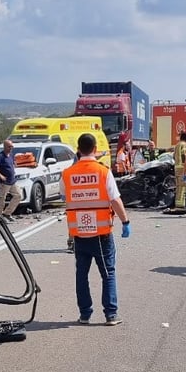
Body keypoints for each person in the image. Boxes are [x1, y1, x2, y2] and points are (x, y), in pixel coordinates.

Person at [62, 133, 131, 326]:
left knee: (81, 275)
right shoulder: (103, 171)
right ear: (95, 150)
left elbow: (63, 196)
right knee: (107, 272)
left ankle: (85, 314)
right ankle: (111, 314)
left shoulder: (67, 173)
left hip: (79, 233)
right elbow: (115, 199)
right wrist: (125, 222)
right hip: (101, 233)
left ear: (78, 149)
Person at [0, 139, 19, 222]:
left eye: (12, 146)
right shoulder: (0, 156)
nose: (11, 148)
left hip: (12, 180)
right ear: (5, 147)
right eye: (9, 146)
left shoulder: (11, 155)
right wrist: (0, 175)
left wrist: (15, 165)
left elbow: (13, 163)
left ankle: (7, 213)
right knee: (2, 198)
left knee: (18, 196)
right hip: (4, 182)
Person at [173, 131, 186, 210]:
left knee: (178, 186)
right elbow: (184, 155)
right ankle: (181, 204)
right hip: (183, 169)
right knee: (183, 186)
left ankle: (178, 203)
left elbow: (174, 156)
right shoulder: (184, 145)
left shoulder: (177, 145)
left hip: (177, 168)